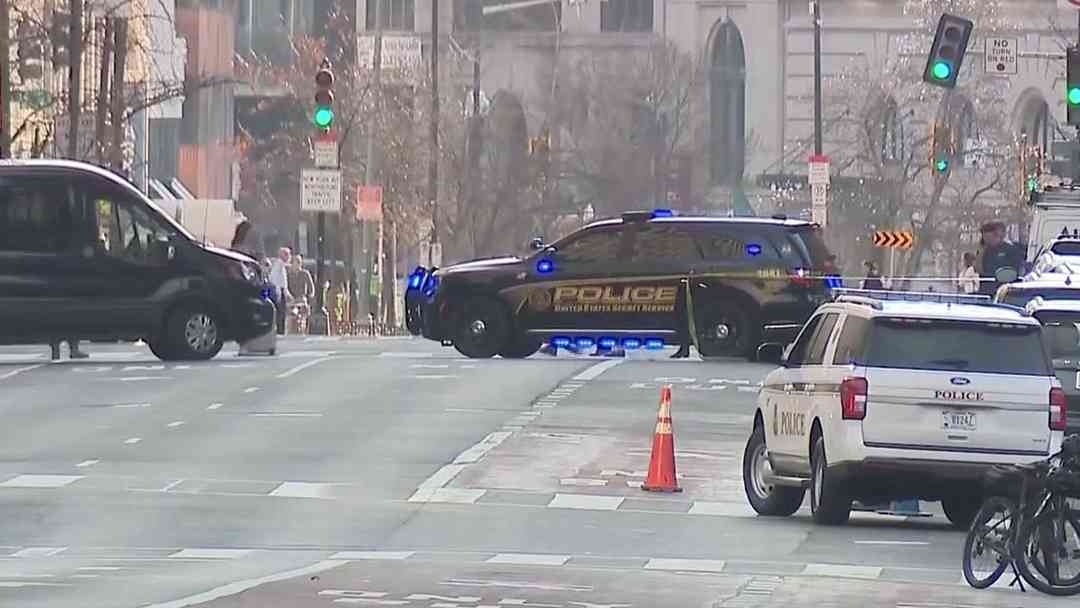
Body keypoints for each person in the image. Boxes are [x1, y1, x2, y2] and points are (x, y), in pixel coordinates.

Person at [977, 221, 1024, 296]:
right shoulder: (984, 251)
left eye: (989, 237)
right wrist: (981, 251)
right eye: (984, 238)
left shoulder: (1010, 249)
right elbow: (979, 269)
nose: (987, 240)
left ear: (996, 235)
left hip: (1005, 290)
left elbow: (1018, 270)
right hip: (986, 290)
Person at [269, 247, 291, 335]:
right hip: (278, 292)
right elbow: (274, 279)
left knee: (281, 312)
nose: (289, 257)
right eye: (288, 255)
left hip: (280, 291)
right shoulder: (279, 265)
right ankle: (280, 331)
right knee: (280, 312)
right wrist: (283, 292)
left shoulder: (281, 265)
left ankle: (280, 330)